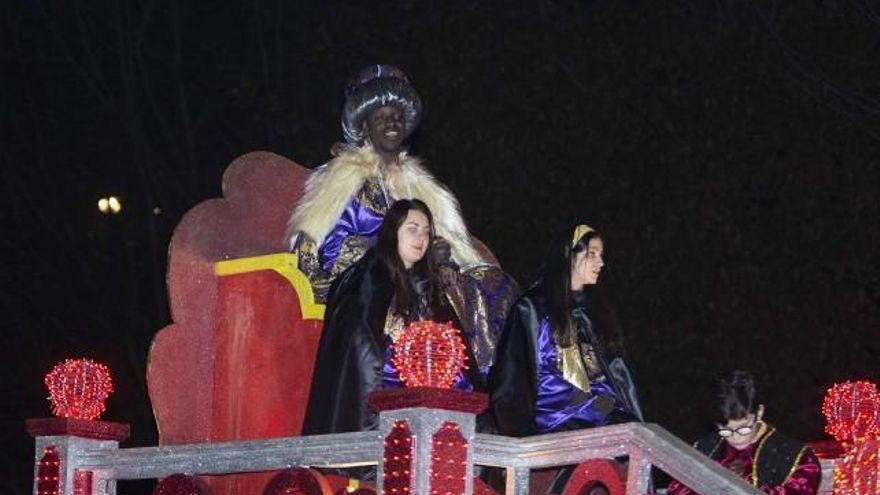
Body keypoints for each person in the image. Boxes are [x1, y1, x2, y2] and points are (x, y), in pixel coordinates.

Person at [288, 64, 516, 375]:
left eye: (396, 116)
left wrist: (440, 253)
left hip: (427, 275)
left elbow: (445, 246)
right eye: (381, 117)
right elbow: (328, 248)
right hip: (373, 280)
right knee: (426, 290)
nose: (391, 123)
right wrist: (394, 254)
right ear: (365, 126)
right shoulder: (345, 178)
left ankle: (487, 379)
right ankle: (432, 375)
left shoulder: (423, 187)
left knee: (494, 283)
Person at [301, 199, 488, 436]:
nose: (421, 238)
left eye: (426, 232)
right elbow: (361, 349)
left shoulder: (426, 286)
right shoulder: (366, 280)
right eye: (412, 229)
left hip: (426, 394)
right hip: (386, 392)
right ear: (393, 232)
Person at [489, 224, 643, 494]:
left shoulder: (596, 312)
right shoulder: (533, 308)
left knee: (630, 433)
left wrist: (615, 410)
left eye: (601, 255)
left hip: (598, 411)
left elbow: (612, 378)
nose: (601, 262)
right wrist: (519, 440)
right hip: (557, 416)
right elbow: (513, 379)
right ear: (570, 256)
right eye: (592, 254)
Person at [666, 371, 821, 495]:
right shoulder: (706, 448)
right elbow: (678, 488)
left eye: (743, 428)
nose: (735, 437)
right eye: (726, 430)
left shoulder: (794, 456)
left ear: (759, 412)